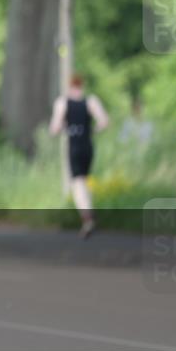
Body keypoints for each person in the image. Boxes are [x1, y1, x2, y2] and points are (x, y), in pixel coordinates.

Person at [49, 73, 110, 239]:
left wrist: (64, 128)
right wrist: (92, 130)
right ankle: (89, 210)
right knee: (85, 178)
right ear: (81, 86)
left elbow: (54, 129)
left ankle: (87, 217)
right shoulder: (91, 101)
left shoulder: (62, 103)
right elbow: (104, 122)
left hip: (74, 144)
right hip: (88, 144)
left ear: (69, 86)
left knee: (77, 182)